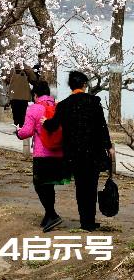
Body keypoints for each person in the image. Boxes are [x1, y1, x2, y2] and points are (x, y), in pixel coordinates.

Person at [42, 71, 114, 231]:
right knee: (91, 186)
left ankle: (84, 221)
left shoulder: (64, 105)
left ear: (70, 85)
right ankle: (90, 221)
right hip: (93, 152)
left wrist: (44, 122)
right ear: (84, 84)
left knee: (81, 187)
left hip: (74, 154)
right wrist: (108, 146)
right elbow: (102, 126)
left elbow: (53, 126)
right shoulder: (94, 102)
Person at [15, 81, 70, 232]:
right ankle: (48, 215)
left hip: (42, 154)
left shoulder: (34, 108)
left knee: (39, 184)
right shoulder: (58, 107)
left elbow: (26, 132)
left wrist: (17, 132)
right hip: (59, 153)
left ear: (36, 95)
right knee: (49, 184)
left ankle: (52, 215)